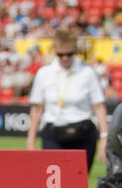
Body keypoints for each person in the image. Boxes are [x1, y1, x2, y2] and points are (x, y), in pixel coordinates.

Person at [26, 28, 108, 170]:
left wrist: (104, 138)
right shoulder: (44, 73)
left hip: (83, 133)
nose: (65, 58)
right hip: (53, 133)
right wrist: (31, 140)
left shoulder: (87, 72)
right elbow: (37, 108)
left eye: (69, 54)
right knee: (55, 186)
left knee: (78, 185)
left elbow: (99, 107)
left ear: (75, 51)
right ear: (55, 51)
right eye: (60, 54)